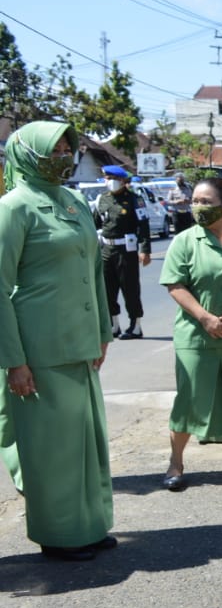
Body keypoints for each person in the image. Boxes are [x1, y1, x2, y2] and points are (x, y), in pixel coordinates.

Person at [0, 121, 116, 562]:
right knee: (51, 450)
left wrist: (104, 331)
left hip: (80, 344)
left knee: (86, 443)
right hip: (39, 349)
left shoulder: (71, 201)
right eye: (55, 149)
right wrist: (13, 361)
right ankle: (59, 534)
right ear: (28, 154)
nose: (65, 155)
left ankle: (87, 525)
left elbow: (93, 273)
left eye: (69, 148)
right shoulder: (14, 207)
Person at [158, 177, 222, 492]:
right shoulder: (185, 241)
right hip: (196, 337)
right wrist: (205, 318)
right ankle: (176, 462)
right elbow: (175, 284)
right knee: (189, 400)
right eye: (195, 201)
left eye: (206, 202)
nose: (197, 207)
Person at [95, 164, 151, 339]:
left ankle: (135, 326)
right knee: (107, 290)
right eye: (107, 178)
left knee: (130, 288)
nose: (109, 182)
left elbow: (143, 226)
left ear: (122, 181)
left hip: (126, 250)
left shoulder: (135, 199)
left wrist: (145, 250)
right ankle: (114, 325)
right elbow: (95, 224)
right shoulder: (101, 199)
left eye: (113, 179)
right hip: (106, 249)